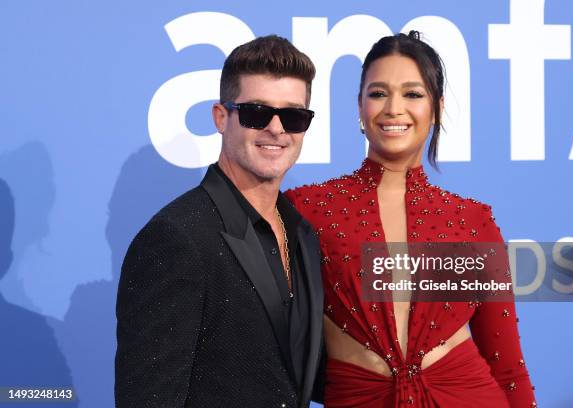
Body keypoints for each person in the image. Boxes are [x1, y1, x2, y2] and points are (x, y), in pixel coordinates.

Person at [285, 31, 536, 407]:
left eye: (413, 94)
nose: (393, 108)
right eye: (378, 93)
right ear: (359, 106)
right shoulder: (307, 209)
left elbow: (508, 368)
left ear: (436, 107)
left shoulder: (472, 221)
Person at [115, 35, 323, 408]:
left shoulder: (301, 233)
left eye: (293, 116)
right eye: (257, 112)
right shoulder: (177, 238)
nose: (276, 129)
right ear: (221, 117)